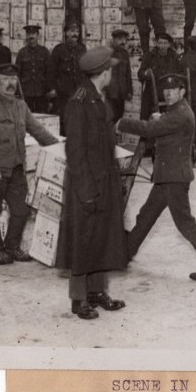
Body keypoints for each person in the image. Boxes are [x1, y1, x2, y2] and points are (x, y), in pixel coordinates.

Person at [118, 73, 196, 282]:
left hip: (174, 178)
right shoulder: (177, 110)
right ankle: (124, 255)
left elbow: (150, 129)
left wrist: (123, 123)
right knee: (146, 216)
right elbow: (164, 122)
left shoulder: (181, 114)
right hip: (167, 176)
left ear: (181, 91)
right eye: (165, 90)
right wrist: (161, 117)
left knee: (184, 223)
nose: (167, 93)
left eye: (172, 89)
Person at [56, 47, 128, 320]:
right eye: (110, 69)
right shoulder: (80, 103)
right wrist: (86, 190)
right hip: (86, 184)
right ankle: (79, 298)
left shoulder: (98, 99)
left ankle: (97, 292)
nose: (112, 72)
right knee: (83, 241)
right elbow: (75, 153)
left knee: (102, 237)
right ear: (104, 72)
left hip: (104, 180)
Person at [0, 64, 60, 266]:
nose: (10, 83)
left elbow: (38, 131)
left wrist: (60, 148)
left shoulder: (21, 106)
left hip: (16, 168)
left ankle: (12, 247)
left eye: (13, 79)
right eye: (5, 79)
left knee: (21, 210)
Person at [48, 21, 86, 134]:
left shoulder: (82, 49)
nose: (75, 34)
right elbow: (51, 71)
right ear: (66, 33)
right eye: (72, 31)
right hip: (63, 93)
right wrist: (52, 88)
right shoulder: (59, 50)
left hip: (77, 92)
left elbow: (85, 70)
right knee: (63, 120)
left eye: (77, 31)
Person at [137, 32, 183, 120]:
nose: (162, 46)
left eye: (165, 43)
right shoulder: (149, 56)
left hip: (169, 93)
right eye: (160, 43)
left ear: (169, 44)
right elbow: (140, 73)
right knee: (148, 119)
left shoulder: (174, 57)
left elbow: (180, 74)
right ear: (157, 44)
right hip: (152, 92)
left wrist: (180, 88)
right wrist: (146, 73)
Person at [14, 25, 51, 113]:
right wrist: (18, 93)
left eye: (33, 34)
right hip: (26, 94)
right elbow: (17, 74)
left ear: (38, 36)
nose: (31, 36)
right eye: (29, 34)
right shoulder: (22, 53)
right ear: (26, 36)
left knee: (41, 118)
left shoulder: (44, 52)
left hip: (42, 93)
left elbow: (49, 72)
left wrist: (50, 90)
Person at [105, 29, 133, 124]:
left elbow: (128, 74)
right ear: (113, 39)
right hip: (110, 94)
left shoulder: (125, 54)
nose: (123, 42)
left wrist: (129, 91)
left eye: (124, 39)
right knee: (109, 119)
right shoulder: (107, 53)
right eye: (120, 39)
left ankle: (115, 138)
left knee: (118, 119)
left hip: (121, 94)